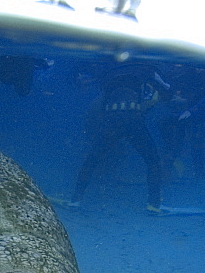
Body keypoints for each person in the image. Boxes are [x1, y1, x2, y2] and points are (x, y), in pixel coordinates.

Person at [70, 62, 170, 214]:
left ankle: (75, 200)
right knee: (153, 160)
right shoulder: (147, 68)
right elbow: (166, 92)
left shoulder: (109, 72)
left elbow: (103, 103)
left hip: (112, 120)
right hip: (133, 118)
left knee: (92, 160)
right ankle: (153, 204)